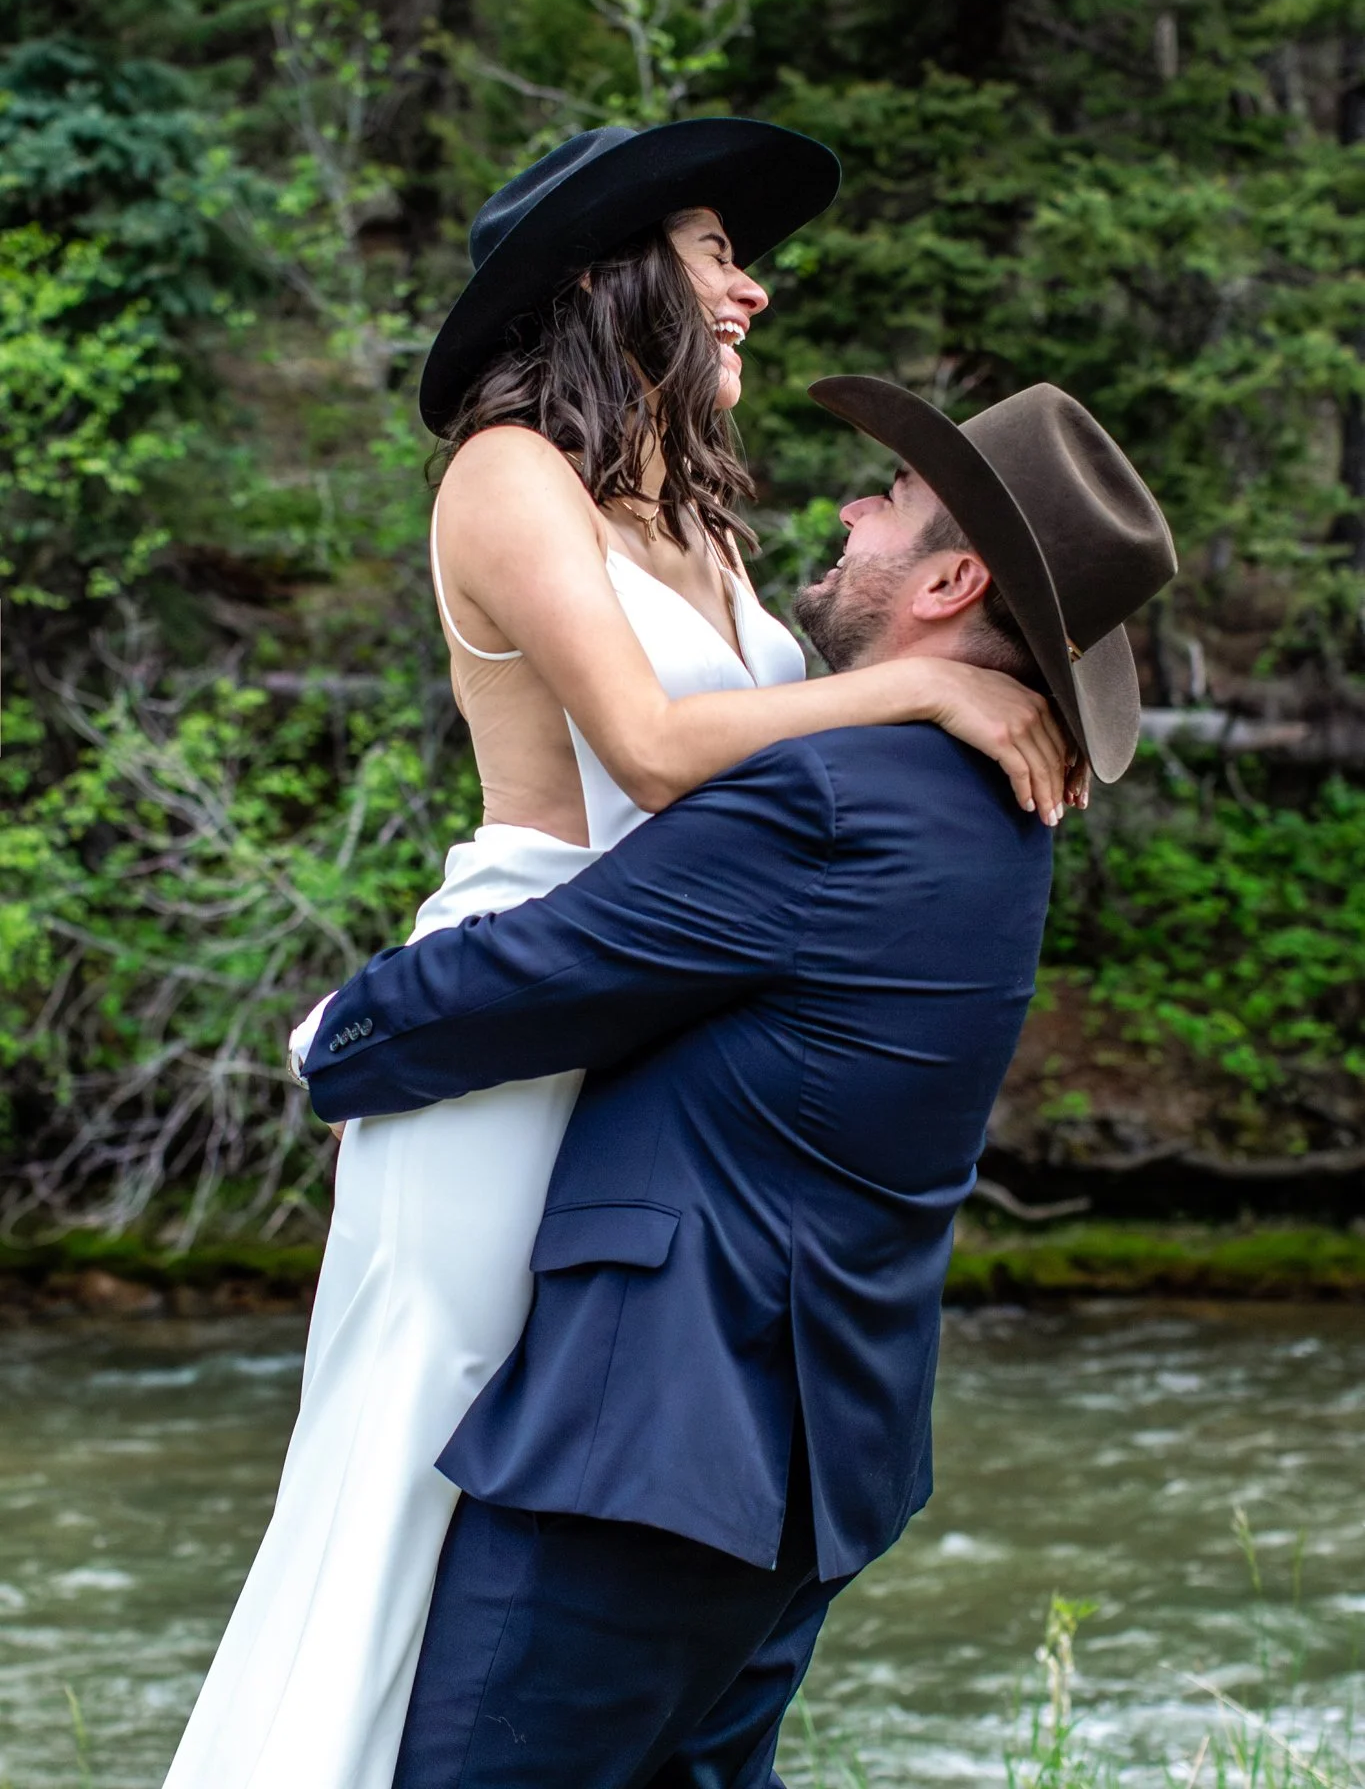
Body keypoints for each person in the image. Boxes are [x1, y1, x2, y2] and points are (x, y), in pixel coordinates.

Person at [162, 122, 1073, 1789]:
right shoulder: (507, 473)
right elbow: (654, 753)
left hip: (644, 1031)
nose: (754, 285)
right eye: (718, 249)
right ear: (607, 274)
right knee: (409, 1498)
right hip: (514, 1012)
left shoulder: (703, 525)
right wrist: (928, 686)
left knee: (534, 1520)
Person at [302, 375, 1178, 1789]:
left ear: (951, 579)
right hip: (815, 1465)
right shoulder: (995, 820)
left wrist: (334, 1039)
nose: (845, 510)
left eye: (885, 504)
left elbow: (538, 978)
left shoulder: (839, 795)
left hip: (650, 1451)